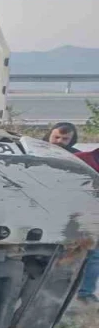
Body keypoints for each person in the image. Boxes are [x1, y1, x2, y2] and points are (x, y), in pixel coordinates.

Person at [48, 122, 99, 303]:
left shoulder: (78, 157)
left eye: (65, 138)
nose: (60, 141)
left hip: (85, 215)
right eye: (56, 137)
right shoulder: (83, 158)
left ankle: (84, 294)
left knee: (92, 255)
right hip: (58, 213)